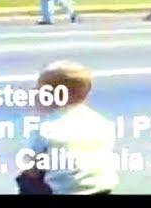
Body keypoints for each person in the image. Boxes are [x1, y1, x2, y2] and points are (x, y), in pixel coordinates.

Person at [17, 61, 119, 195]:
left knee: (25, 179)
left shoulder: (44, 128)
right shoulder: (102, 122)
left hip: (63, 191)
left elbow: (31, 169)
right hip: (102, 189)